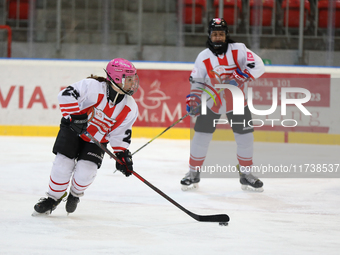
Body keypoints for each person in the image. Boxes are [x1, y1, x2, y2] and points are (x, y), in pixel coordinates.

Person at [33, 58, 139, 215]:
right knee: (63, 165)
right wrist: (76, 116)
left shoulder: (130, 107)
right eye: (128, 79)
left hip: (97, 140)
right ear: (116, 78)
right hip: (73, 131)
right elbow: (65, 95)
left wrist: (122, 154)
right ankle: (53, 198)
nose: (132, 83)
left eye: (133, 79)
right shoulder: (93, 87)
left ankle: (74, 195)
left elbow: (120, 133)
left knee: (86, 173)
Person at [180, 18, 265, 192]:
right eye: (215, 34)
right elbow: (196, 81)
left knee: (245, 138)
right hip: (211, 101)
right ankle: (193, 173)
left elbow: (259, 65)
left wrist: (242, 75)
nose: (218, 37)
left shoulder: (239, 49)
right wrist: (194, 99)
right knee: (201, 137)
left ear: (226, 35)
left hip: (237, 101)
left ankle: (246, 175)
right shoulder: (203, 57)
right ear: (209, 36)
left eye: (221, 34)